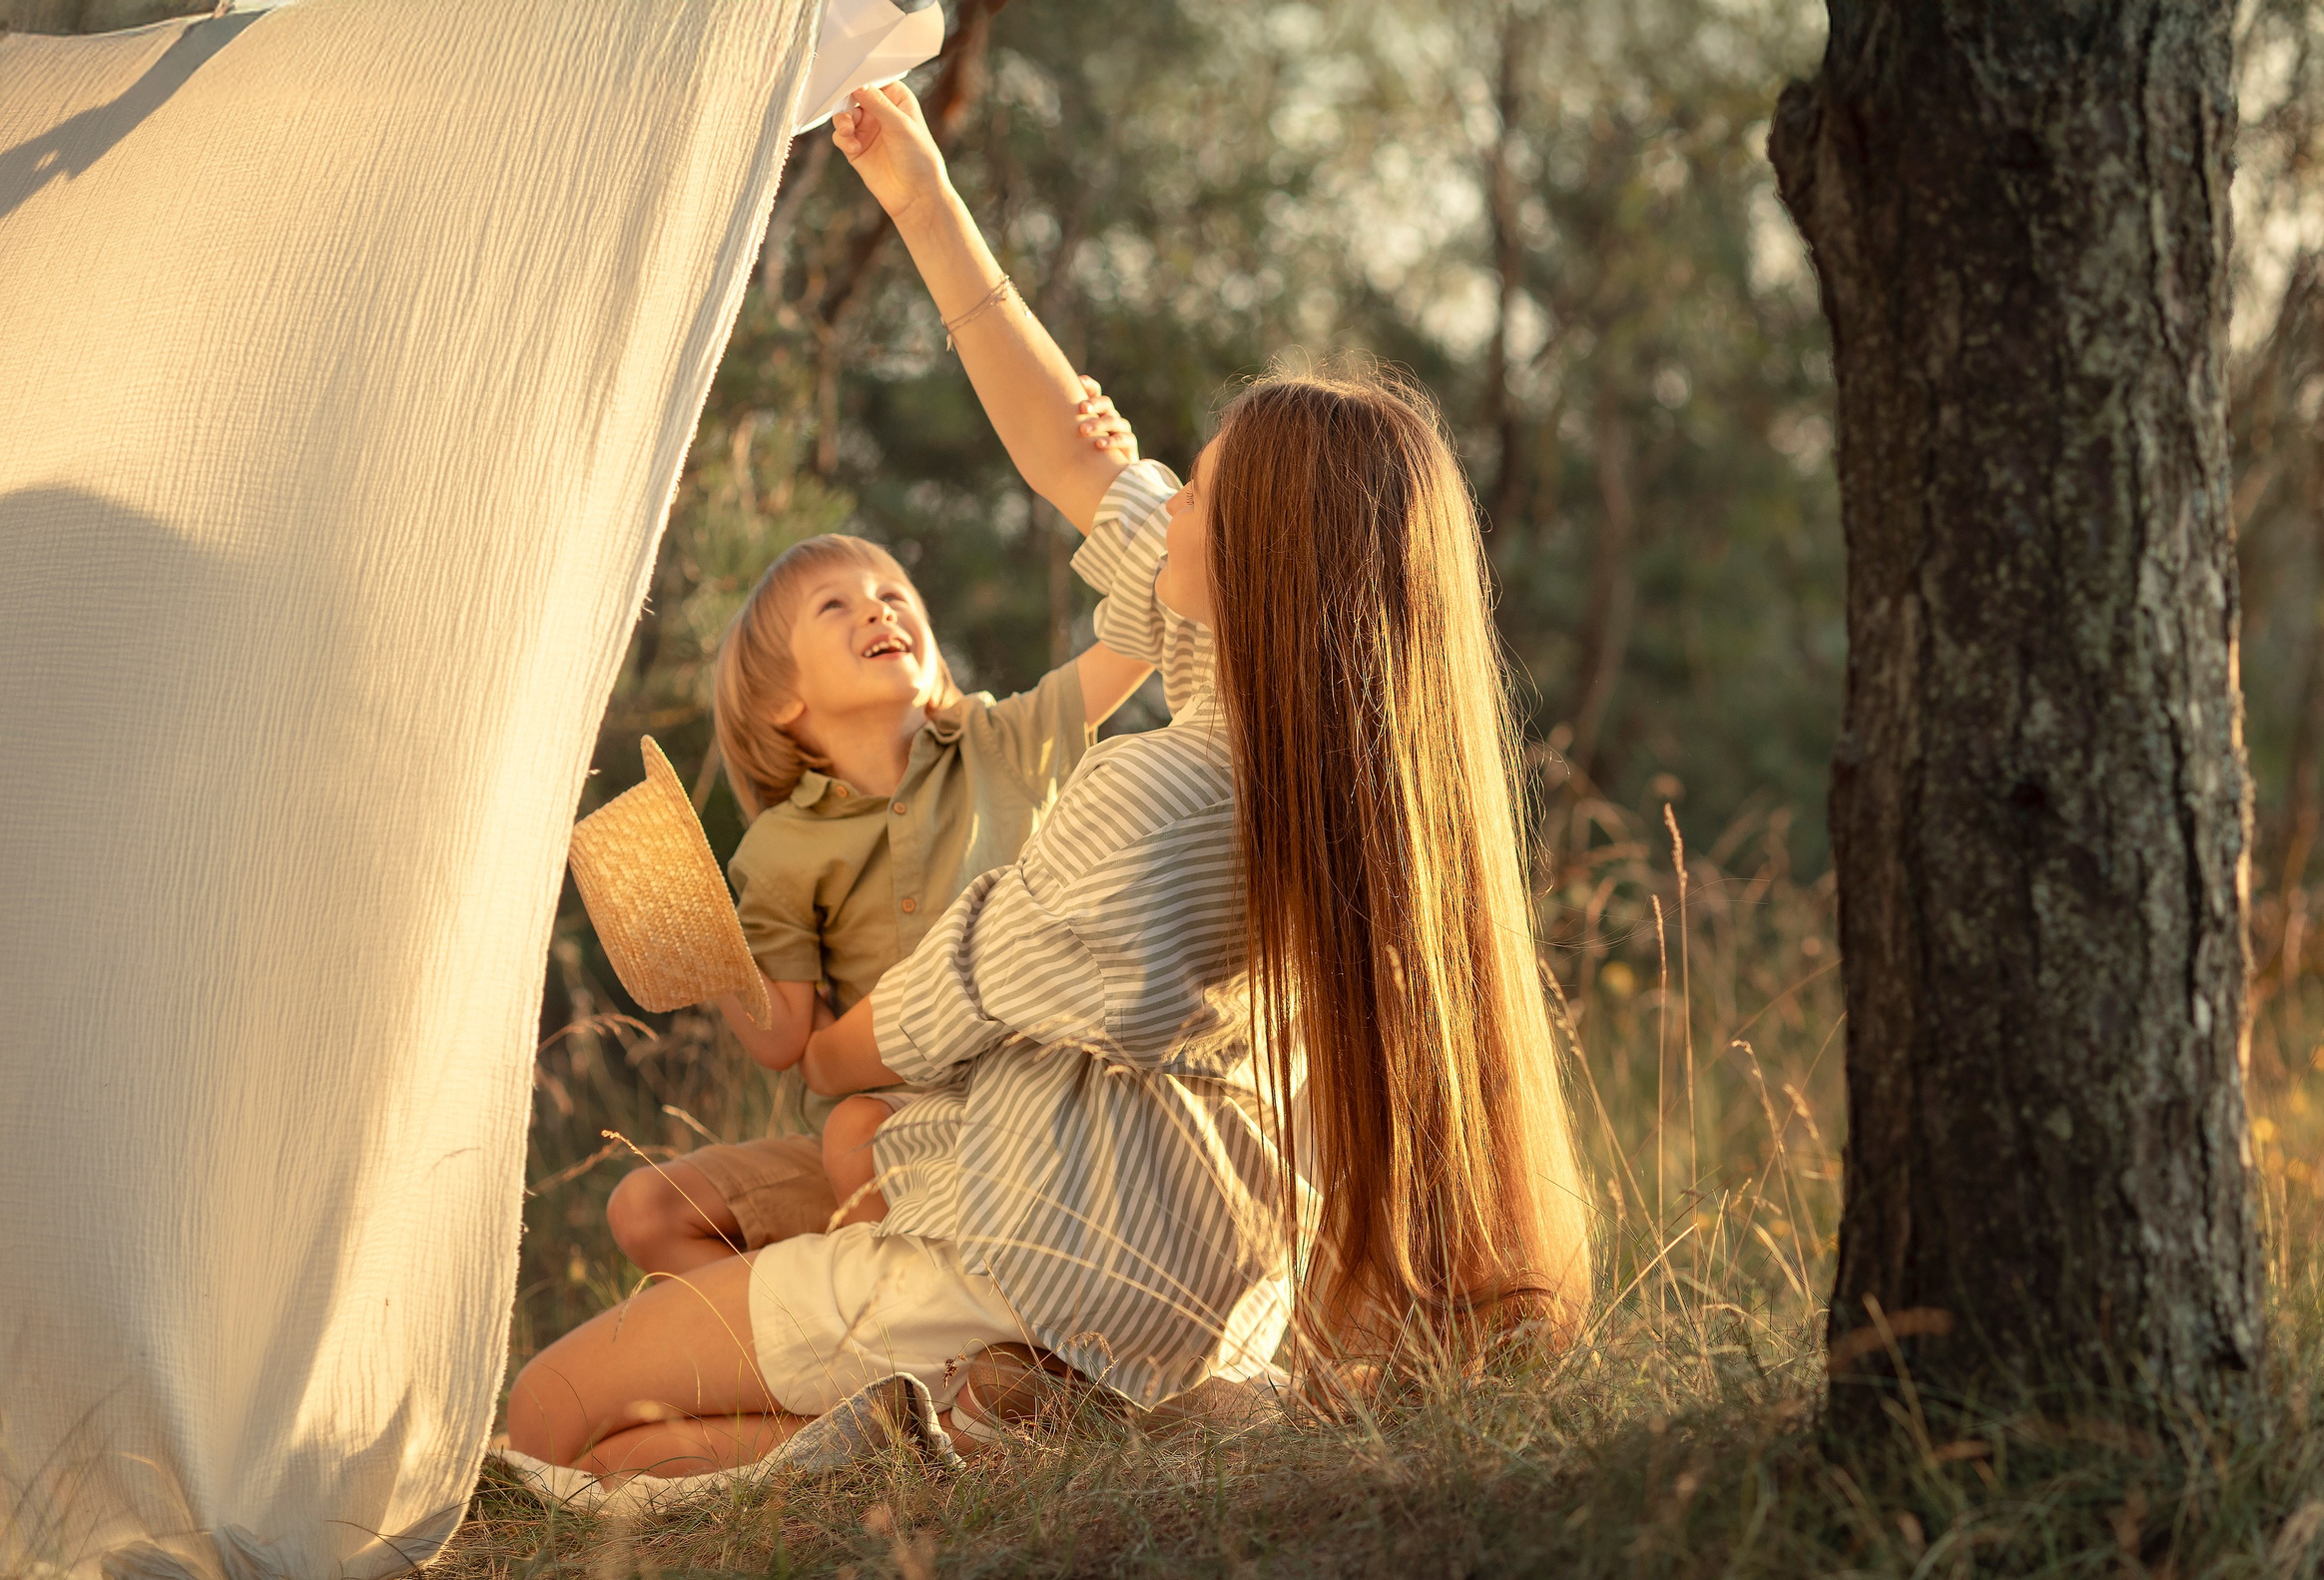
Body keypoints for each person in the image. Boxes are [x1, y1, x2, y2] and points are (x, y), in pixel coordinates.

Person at [504, 82, 1589, 1478]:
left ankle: (996, 1397)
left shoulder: (1160, 796)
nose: (1162, 498)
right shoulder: (1317, 758)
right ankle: (963, 1423)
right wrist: (920, 197)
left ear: (1255, 564)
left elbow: (934, 1011)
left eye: (1195, 491)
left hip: (1030, 1258)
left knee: (550, 1410)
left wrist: (822, 1045)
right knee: (654, 1440)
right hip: (1199, 1286)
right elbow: (1086, 460)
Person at [603, 394, 1154, 1278]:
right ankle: (838, 1366)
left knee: (853, 1128)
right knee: (646, 1210)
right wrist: (704, 953)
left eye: (894, 594)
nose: (879, 610)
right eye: (836, 606)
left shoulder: (1003, 741)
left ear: (933, 660)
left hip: (1039, 1106)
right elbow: (788, 1039)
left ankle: (913, 1328)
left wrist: (1119, 482)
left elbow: (1139, 638)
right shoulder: (779, 850)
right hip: (890, 1143)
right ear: (785, 704)